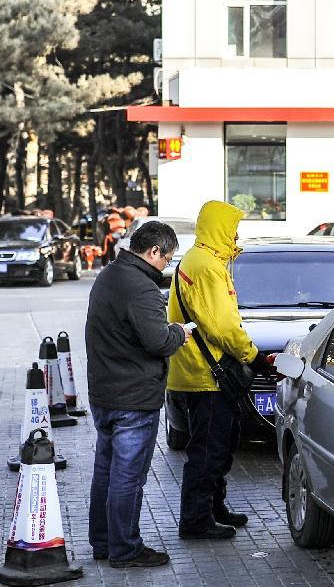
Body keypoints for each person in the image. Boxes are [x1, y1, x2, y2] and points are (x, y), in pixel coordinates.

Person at [166, 200, 276, 540]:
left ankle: (215, 508)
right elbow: (223, 326)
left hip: (201, 371)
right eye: (233, 228)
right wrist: (253, 356)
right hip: (207, 375)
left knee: (221, 444)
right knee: (208, 450)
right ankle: (196, 520)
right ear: (219, 229)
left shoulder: (203, 260)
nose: (237, 234)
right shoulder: (208, 266)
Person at [85, 221, 190, 568]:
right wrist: (178, 332)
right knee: (128, 477)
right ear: (154, 250)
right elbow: (157, 341)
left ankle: (103, 542)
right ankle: (125, 549)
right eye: (167, 258)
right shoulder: (141, 288)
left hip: (105, 393)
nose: (167, 266)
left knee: (107, 471)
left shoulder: (109, 274)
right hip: (133, 398)